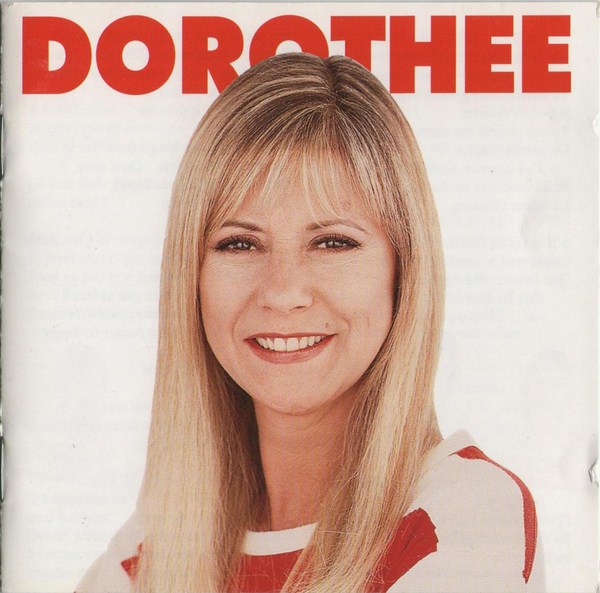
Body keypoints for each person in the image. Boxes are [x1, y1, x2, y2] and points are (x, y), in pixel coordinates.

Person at [76, 53, 545, 593]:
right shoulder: (151, 547)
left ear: (403, 269)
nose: (283, 291)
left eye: (332, 242)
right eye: (239, 243)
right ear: (191, 276)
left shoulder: (464, 516)